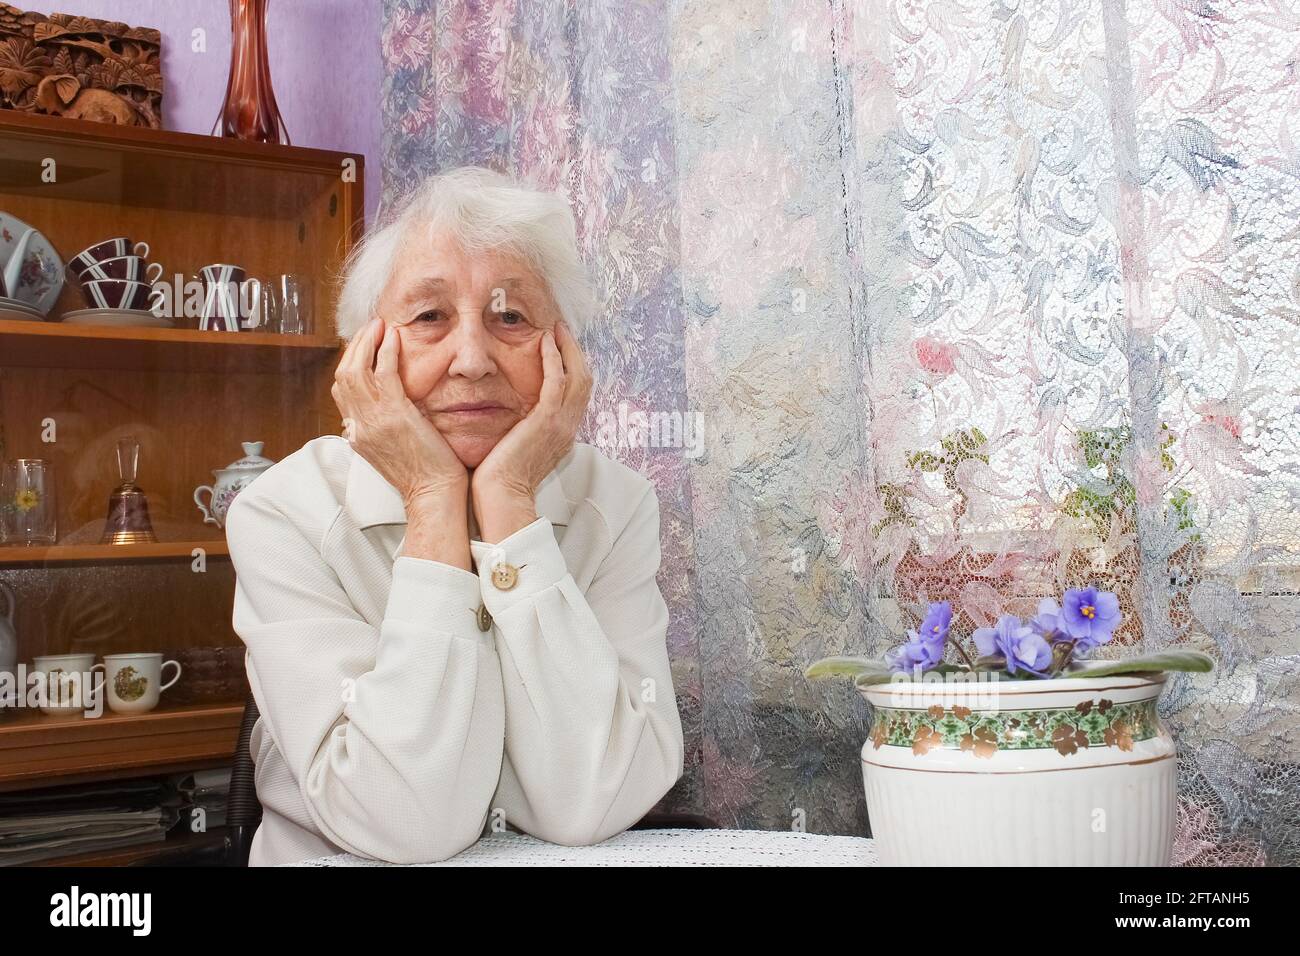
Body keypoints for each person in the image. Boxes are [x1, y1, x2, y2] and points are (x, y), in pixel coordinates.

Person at [223, 166, 684, 866]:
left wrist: (510, 506)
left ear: (562, 350)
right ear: (364, 355)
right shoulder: (282, 513)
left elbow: (596, 797)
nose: (472, 360)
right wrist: (434, 501)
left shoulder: (617, 506)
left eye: (510, 317)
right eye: (429, 317)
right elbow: (402, 822)